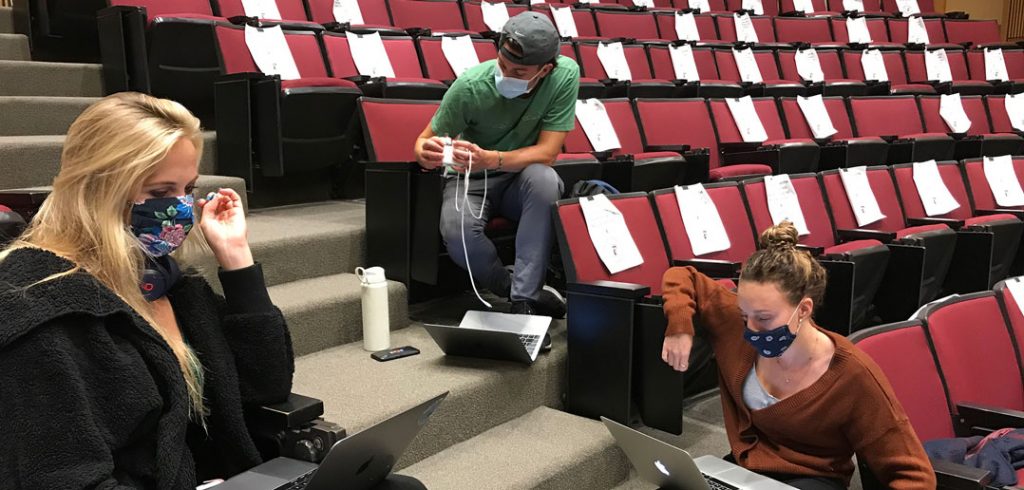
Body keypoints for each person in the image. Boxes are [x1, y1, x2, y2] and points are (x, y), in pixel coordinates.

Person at [0, 93, 424, 490]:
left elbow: (268, 386)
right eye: (161, 192)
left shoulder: (163, 279)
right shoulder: (38, 308)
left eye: (188, 189)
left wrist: (236, 257)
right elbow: (64, 477)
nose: (182, 208)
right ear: (97, 189)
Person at [659, 221, 936, 489]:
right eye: (745, 315)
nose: (751, 329)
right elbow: (682, 276)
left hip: (813, 477)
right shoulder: (736, 322)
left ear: (803, 309)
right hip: (743, 470)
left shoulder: (853, 374)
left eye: (764, 318)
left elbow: (914, 474)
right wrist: (680, 326)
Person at [414, 12, 580, 324]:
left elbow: (547, 153)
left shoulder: (565, 75)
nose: (506, 74)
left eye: (519, 71)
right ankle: (517, 288)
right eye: (502, 65)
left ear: (545, 69)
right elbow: (422, 143)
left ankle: (524, 304)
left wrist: (494, 158)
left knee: (546, 180)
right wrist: (428, 153)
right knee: (456, 233)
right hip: (470, 178)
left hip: (522, 176)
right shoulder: (470, 87)